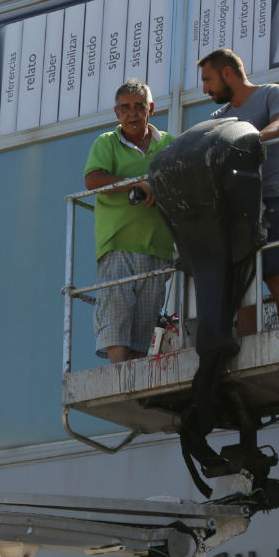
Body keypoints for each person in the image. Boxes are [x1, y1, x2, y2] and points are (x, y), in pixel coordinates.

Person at [197, 47, 279, 334]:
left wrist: (246, 142)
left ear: (227, 73)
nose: (205, 89)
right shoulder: (220, 116)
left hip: (272, 197)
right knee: (242, 281)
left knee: (276, 274)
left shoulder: (273, 93)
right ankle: (247, 342)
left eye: (208, 80)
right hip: (237, 205)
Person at [83, 79, 175, 363]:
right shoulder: (107, 142)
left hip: (158, 247)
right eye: (125, 108)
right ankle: (119, 374)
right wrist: (136, 184)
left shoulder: (168, 143)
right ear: (116, 112)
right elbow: (93, 179)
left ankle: (135, 374)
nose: (132, 113)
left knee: (147, 319)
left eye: (138, 107)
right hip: (118, 242)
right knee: (117, 308)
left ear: (151, 109)